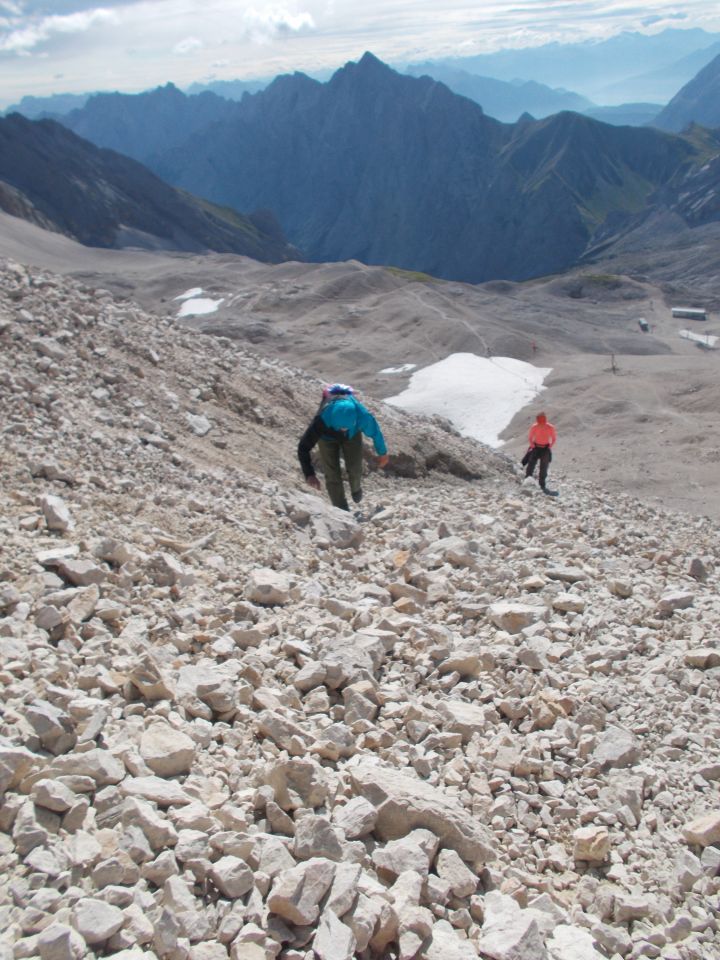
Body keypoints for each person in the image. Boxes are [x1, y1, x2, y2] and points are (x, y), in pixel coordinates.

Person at [298, 384, 389, 510]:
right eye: (341, 428)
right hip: (327, 437)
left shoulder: (362, 416)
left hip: (353, 435)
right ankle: (342, 510)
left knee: (355, 466)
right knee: (332, 473)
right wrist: (309, 474)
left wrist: (382, 453)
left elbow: (375, 433)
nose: (343, 430)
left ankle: (356, 489)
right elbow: (303, 447)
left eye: (346, 427)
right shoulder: (322, 420)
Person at [524, 411, 557, 491]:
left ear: (545, 419)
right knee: (531, 464)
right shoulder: (534, 426)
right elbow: (530, 437)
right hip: (536, 447)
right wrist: (532, 445)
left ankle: (542, 484)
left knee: (544, 467)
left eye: (542, 419)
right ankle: (527, 480)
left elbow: (554, 438)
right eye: (540, 419)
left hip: (545, 448)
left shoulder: (550, 427)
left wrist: (550, 446)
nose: (541, 421)